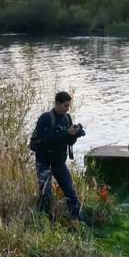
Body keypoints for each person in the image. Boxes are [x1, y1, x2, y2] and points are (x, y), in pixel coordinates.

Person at [29, 91, 85, 221]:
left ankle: (79, 221)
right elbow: (47, 140)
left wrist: (74, 135)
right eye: (65, 106)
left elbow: (68, 142)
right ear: (57, 104)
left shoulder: (67, 118)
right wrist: (67, 133)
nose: (67, 109)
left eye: (69, 106)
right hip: (44, 163)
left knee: (71, 193)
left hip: (59, 163)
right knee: (46, 195)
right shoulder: (46, 118)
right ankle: (43, 223)